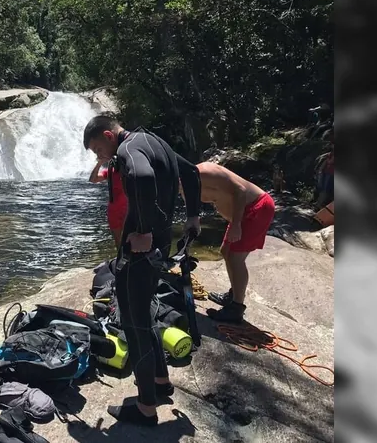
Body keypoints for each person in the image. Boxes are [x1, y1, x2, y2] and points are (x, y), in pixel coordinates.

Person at [83, 116, 202, 426]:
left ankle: (146, 407)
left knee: (134, 324)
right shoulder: (153, 140)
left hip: (140, 250)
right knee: (144, 313)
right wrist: (193, 216)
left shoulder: (128, 150)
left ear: (109, 135)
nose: (101, 156)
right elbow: (190, 172)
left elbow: (143, 176)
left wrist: (143, 230)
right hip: (160, 244)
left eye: (98, 148)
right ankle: (160, 381)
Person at [186, 162, 276, 323]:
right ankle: (234, 294)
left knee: (235, 258)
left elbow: (240, 190)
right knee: (225, 251)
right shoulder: (184, 182)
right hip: (241, 212)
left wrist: (236, 225)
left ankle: (236, 308)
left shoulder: (205, 173)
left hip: (256, 208)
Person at [89, 155, 128, 248]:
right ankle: (122, 261)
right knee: (119, 243)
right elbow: (93, 179)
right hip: (113, 211)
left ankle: (133, 261)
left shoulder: (129, 171)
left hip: (128, 209)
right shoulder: (110, 171)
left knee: (129, 239)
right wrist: (99, 164)